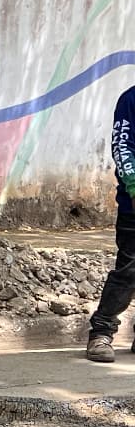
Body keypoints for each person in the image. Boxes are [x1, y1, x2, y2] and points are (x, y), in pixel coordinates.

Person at [87, 85, 135, 362]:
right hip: (133, 204)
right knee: (129, 270)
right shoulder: (130, 99)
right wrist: (133, 185)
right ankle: (101, 332)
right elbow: (122, 146)